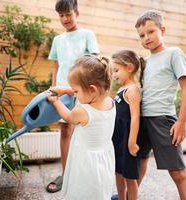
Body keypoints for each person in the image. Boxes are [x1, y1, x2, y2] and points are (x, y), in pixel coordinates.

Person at [134, 10, 186, 199]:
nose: (146, 38)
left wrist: (182, 122)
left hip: (163, 120)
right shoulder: (144, 61)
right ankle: (128, 195)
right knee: (138, 162)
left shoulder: (173, 53)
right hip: (143, 119)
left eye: (151, 32)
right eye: (142, 35)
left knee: (177, 171)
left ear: (163, 30)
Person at [46, 0, 99, 193]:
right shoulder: (57, 40)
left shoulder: (87, 35)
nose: (65, 19)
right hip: (62, 92)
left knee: (85, 132)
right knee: (65, 131)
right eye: (61, 15)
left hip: (83, 92)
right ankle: (66, 174)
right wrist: (53, 87)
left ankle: (84, 175)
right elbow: (56, 66)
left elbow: (94, 62)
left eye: (68, 14)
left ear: (77, 12)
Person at [47, 55, 116, 200]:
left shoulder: (83, 111)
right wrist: (66, 90)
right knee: (98, 190)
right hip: (103, 158)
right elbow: (87, 90)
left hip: (86, 162)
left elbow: (68, 117)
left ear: (92, 90)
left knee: (82, 190)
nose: (75, 95)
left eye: (76, 91)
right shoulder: (110, 102)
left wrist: (56, 101)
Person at [111, 50, 145, 200]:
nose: (114, 75)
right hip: (117, 138)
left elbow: (135, 117)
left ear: (129, 68)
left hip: (127, 139)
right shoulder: (121, 89)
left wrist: (131, 142)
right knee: (118, 173)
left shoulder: (132, 90)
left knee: (129, 177)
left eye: (116, 70)